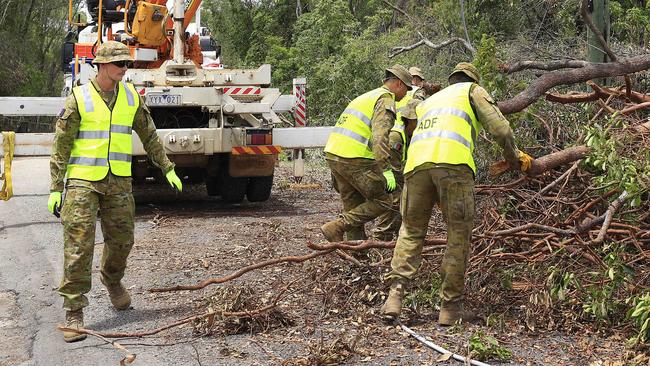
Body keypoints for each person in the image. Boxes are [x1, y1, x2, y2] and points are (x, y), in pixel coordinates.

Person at [47, 41, 183, 342]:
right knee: (79, 243)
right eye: (119, 64)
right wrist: (56, 187)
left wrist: (168, 167)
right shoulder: (79, 98)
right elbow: (61, 147)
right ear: (102, 66)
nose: (125, 69)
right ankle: (74, 310)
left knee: (122, 240)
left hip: (118, 180)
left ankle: (113, 281)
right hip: (83, 181)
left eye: (127, 64)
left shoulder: (131, 97)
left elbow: (149, 135)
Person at [380, 62, 533, 325]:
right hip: (453, 166)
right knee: (457, 235)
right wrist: (514, 158)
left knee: (411, 231)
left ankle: (394, 297)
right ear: (473, 79)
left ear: (451, 80)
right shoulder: (472, 90)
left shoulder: (428, 99)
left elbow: (409, 132)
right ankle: (450, 309)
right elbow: (501, 129)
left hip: (416, 167)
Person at [321, 65, 412, 242]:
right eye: (407, 89)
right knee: (385, 200)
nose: (406, 95)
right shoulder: (386, 100)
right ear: (399, 84)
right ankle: (337, 226)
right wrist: (386, 171)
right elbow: (379, 138)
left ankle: (356, 253)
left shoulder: (366, 96)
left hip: (334, 154)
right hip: (355, 158)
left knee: (353, 205)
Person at [373, 99, 421, 241]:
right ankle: (381, 235)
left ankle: (395, 233)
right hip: (383, 169)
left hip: (391, 169)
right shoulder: (396, 137)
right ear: (410, 120)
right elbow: (394, 170)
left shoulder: (410, 134)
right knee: (394, 197)